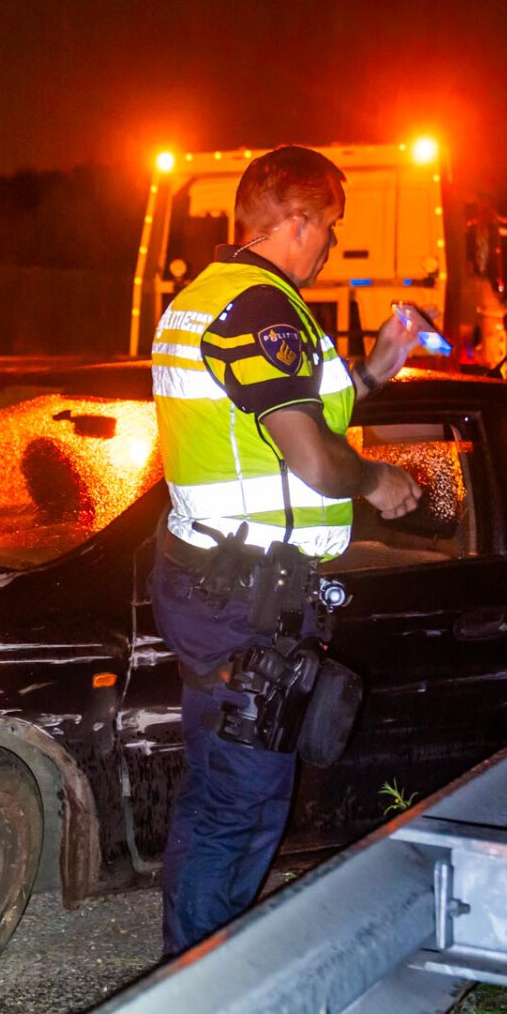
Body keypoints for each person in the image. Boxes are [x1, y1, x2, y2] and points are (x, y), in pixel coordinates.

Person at [150, 145, 424, 958]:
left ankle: (183, 967)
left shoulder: (211, 299)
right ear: (296, 222)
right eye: (330, 228)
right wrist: (377, 482)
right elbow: (308, 454)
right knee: (242, 803)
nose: (332, 246)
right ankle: (196, 987)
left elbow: (283, 409)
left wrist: (371, 372)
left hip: (221, 581)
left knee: (214, 795)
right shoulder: (259, 309)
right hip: (244, 597)